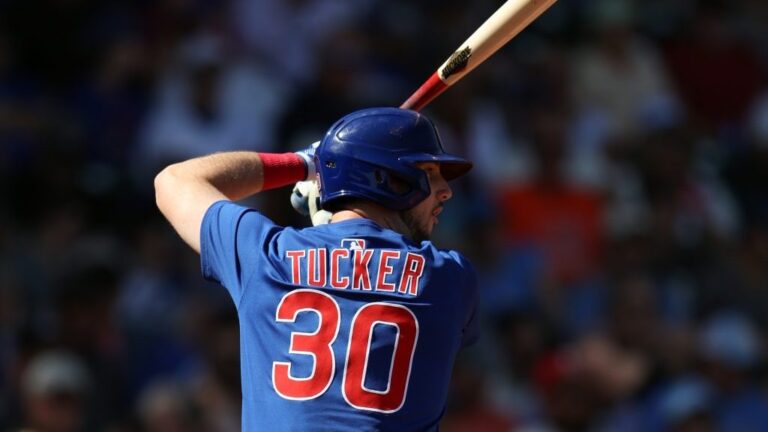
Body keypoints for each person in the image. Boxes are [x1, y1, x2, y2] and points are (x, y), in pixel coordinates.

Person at [154, 107, 479, 431]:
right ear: (388, 179)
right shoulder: (449, 277)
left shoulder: (267, 256)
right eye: (429, 172)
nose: (445, 190)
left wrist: (302, 164)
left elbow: (174, 182)